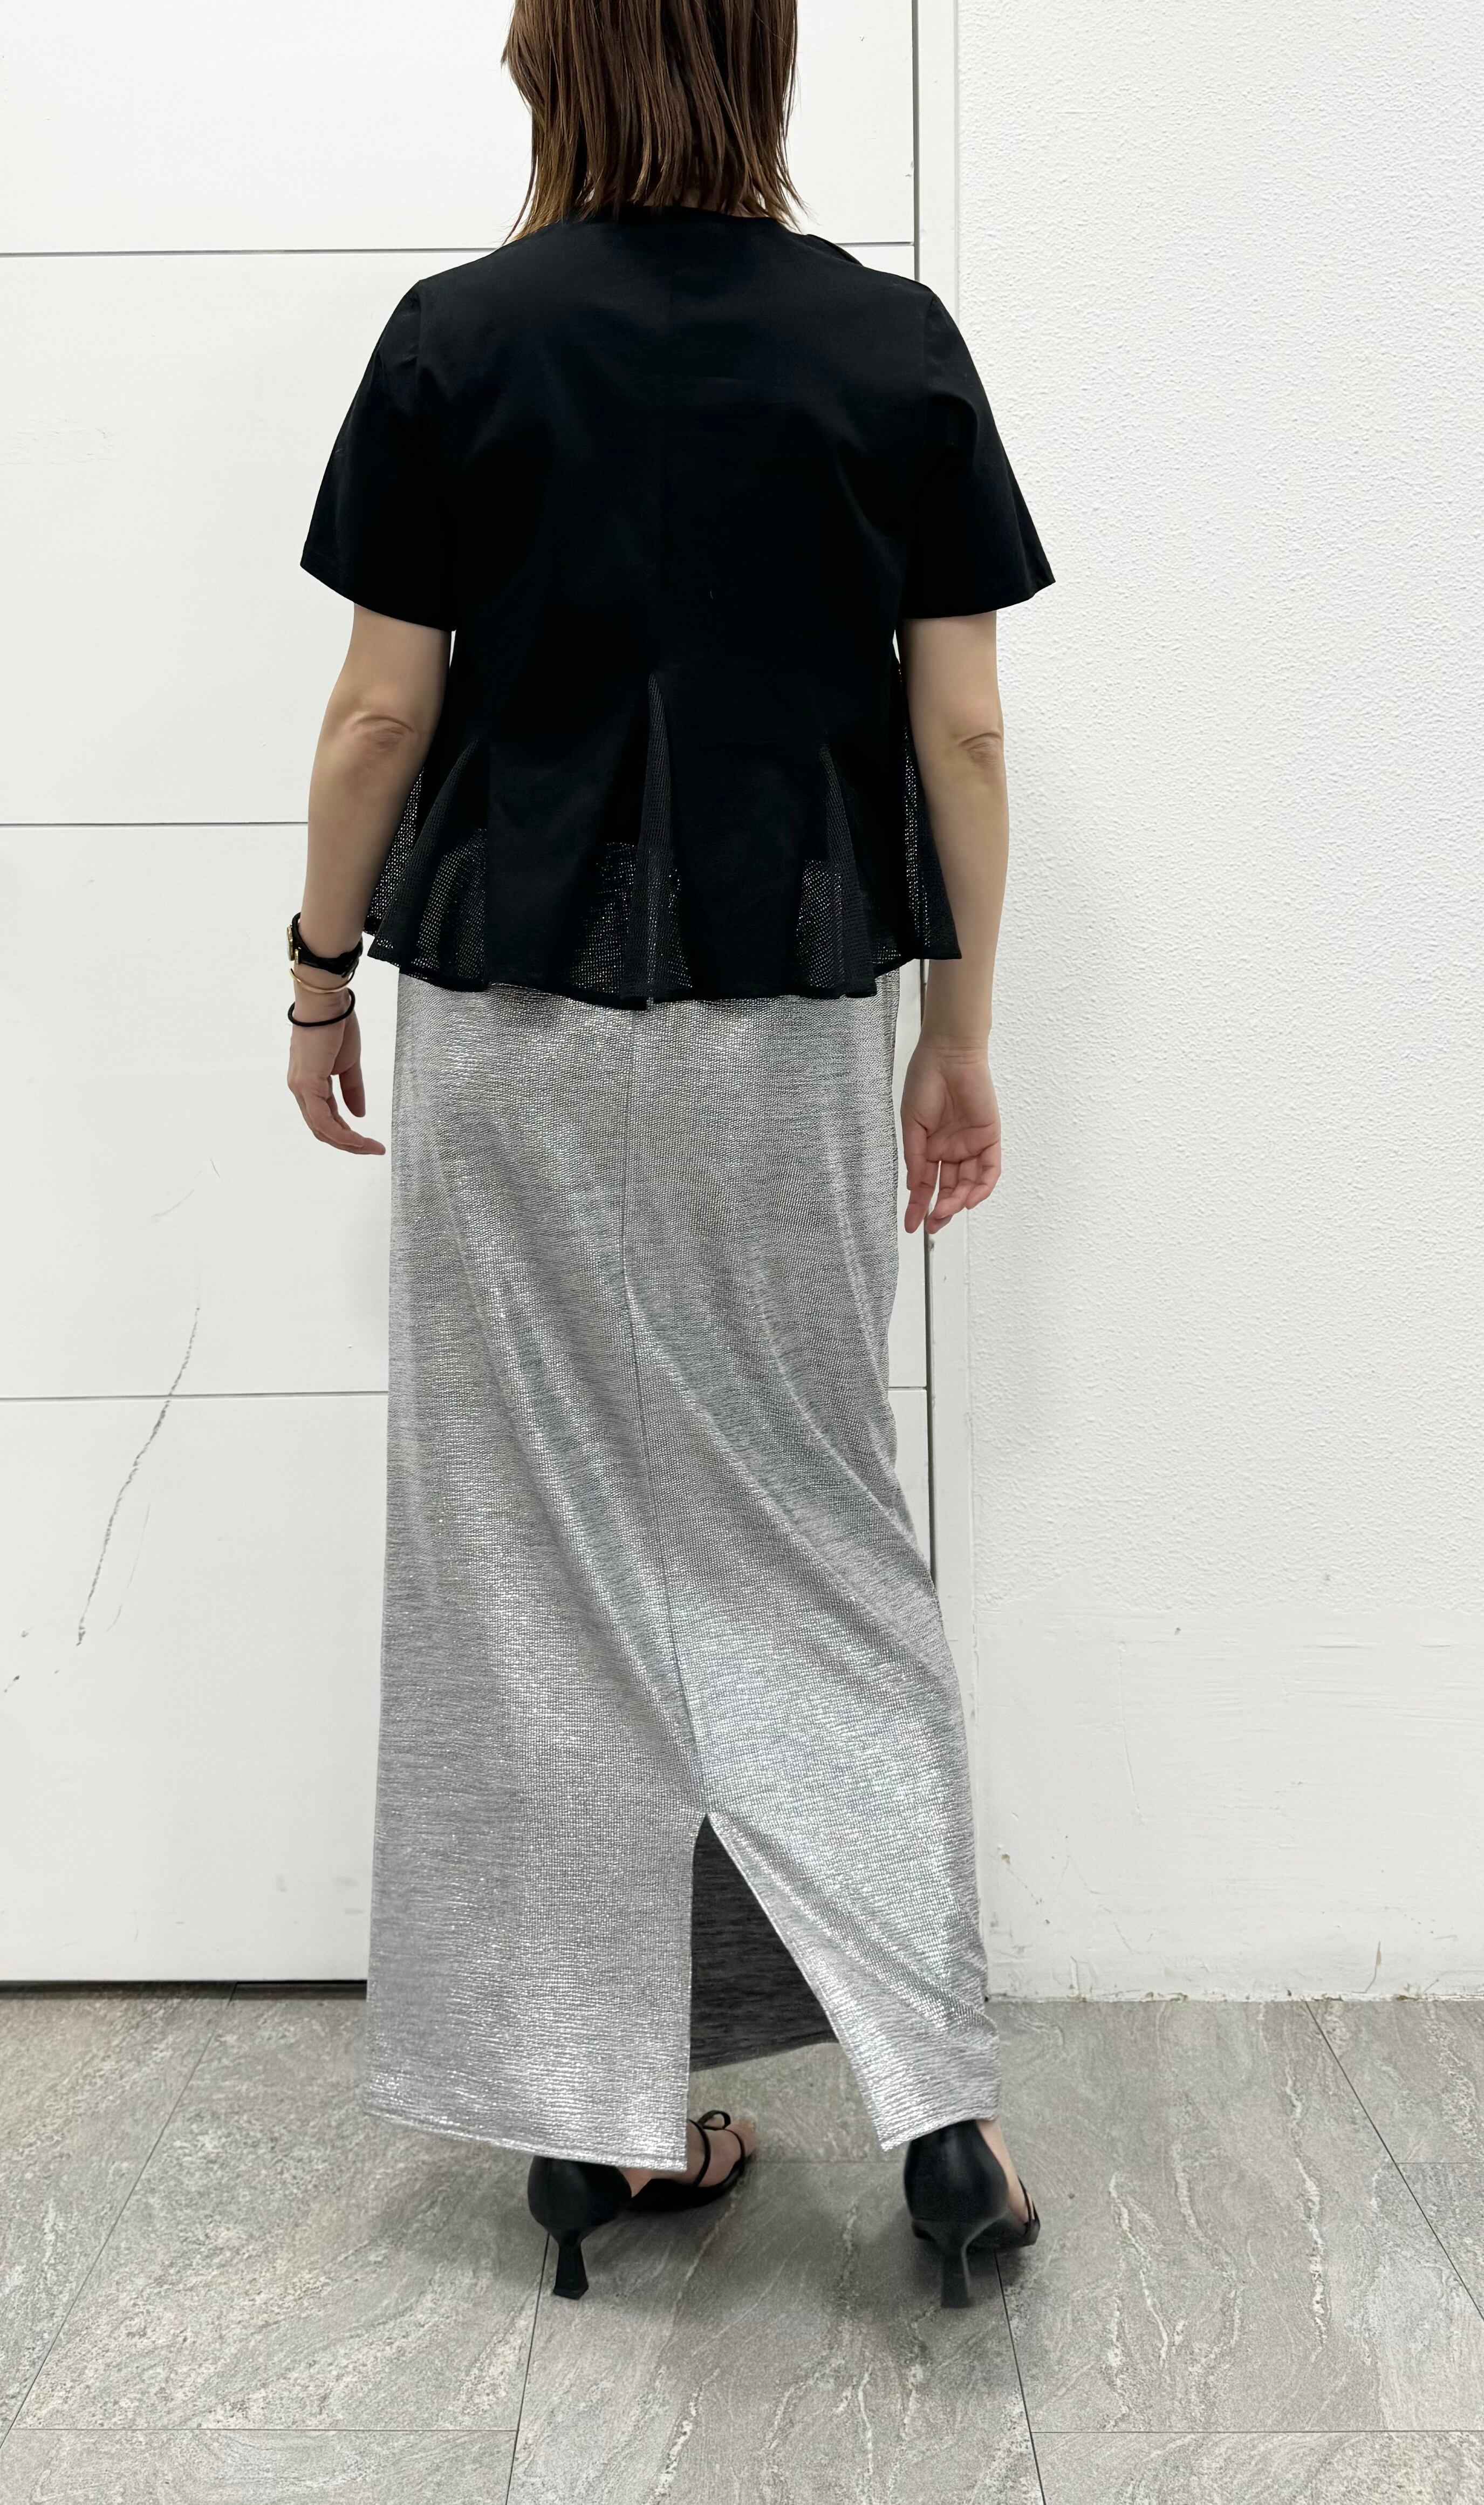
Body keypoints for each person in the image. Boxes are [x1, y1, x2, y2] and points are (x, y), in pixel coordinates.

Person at [288, 0, 1052, 2313]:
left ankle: (592, 2130)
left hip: (513, 1020)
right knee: (812, 1536)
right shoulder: (890, 345)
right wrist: (959, 1033)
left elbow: (380, 711)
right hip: (786, 1022)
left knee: (531, 1563)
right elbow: (964, 734)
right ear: (764, 60)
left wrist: (317, 972)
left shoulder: (459, 339)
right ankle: (940, 2114)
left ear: (562, 68)